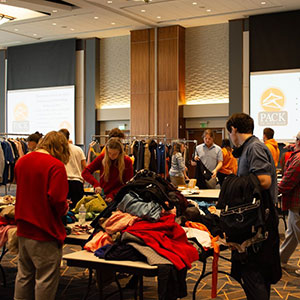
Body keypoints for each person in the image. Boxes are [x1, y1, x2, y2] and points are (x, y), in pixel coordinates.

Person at [226, 113, 281, 300]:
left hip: (259, 221)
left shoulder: (254, 148)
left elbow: (264, 180)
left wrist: (234, 184)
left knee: (253, 273)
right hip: (256, 219)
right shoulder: (249, 148)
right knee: (257, 274)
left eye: (230, 133)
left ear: (234, 129)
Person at [14, 131, 70, 300]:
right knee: (45, 279)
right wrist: (66, 208)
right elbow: (58, 200)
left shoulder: (21, 161)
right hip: (45, 230)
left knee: (24, 275)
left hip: (23, 229)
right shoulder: (55, 166)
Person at [82, 138, 133, 202]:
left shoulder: (127, 161)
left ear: (120, 152)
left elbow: (128, 184)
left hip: (120, 197)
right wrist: (96, 184)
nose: (111, 156)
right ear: (106, 150)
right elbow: (85, 172)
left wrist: (113, 194)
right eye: (109, 153)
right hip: (103, 196)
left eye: (114, 154)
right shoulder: (102, 158)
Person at [278, 131, 300, 275]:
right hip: (296, 202)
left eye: (296, 139)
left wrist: (274, 190)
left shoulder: (298, 159)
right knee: (292, 232)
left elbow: (287, 182)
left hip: (298, 202)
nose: (294, 142)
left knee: (297, 232)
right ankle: (281, 259)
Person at [59, 128, 87, 209]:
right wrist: (83, 180)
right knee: (78, 209)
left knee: (65, 209)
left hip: (64, 181)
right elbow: (84, 167)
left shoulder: (58, 150)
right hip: (77, 181)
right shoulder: (78, 149)